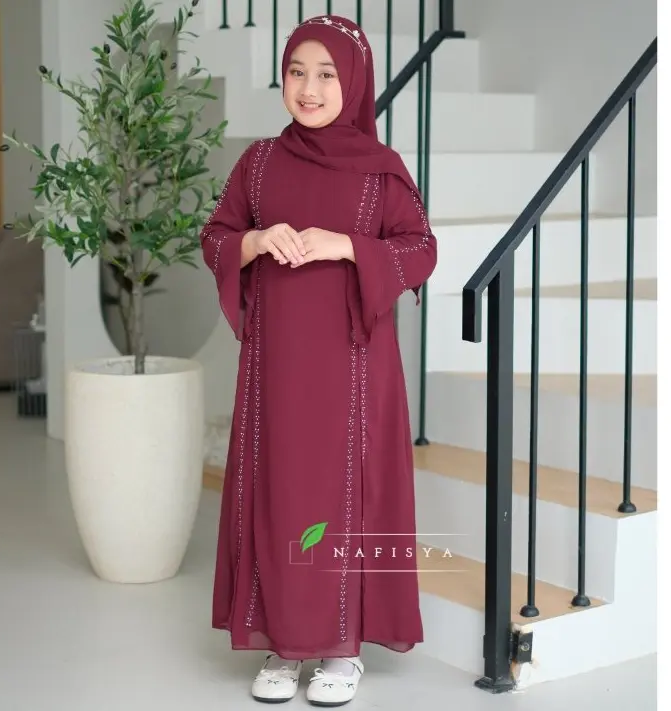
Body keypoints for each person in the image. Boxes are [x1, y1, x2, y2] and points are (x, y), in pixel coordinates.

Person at [200, 14, 437, 706]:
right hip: (275, 368)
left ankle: (340, 649)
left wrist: (347, 246)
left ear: (353, 82)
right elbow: (216, 235)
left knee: (343, 494)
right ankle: (283, 641)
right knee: (278, 492)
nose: (308, 88)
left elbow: (421, 250)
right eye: (296, 72)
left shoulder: (380, 172)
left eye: (326, 74)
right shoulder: (258, 163)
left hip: (353, 369)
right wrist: (254, 241)